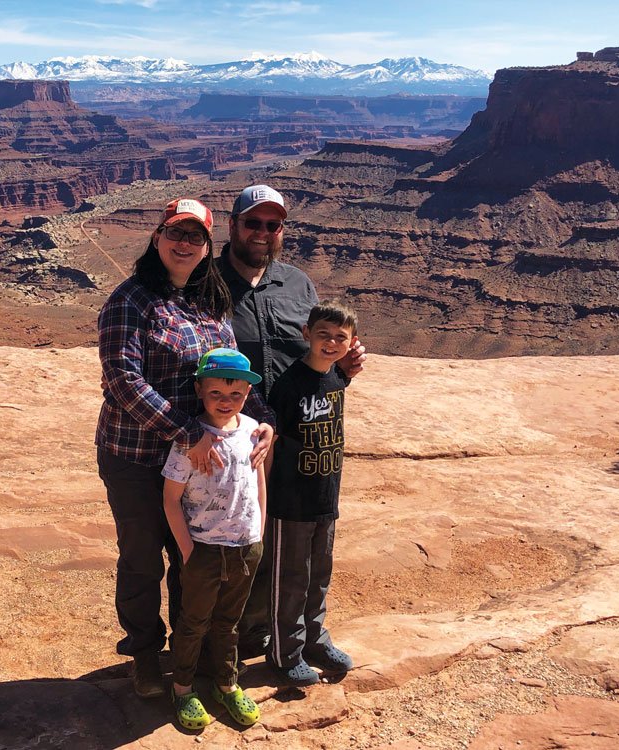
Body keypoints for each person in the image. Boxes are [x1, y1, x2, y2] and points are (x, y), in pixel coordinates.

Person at [95, 198, 273, 699]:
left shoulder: (208, 302)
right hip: (135, 457)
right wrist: (186, 431)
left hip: (198, 463)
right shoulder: (129, 300)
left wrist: (263, 421)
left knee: (190, 559)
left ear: (205, 247)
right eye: (175, 233)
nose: (183, 244)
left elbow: (232, 372)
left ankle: (187, 657)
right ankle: (147, 655)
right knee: (142, 559)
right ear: (157, 238)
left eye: (195, 237)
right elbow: (123, 380)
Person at [216, 184, 366, 659]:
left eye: (272, 225)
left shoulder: (299, 284)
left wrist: (343, 367)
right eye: (253, 223)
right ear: (234, 225)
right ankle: (231, 642)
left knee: (302, 547)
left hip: (298, 443)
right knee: (237, 546)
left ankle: (300, 637)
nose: (262, 233)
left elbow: (317, 357)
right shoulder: (206, 281)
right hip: (235, 440)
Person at [162, 347, 266, 730]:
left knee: (229, 622)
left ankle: (226, 682)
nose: (226, 402)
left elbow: (258, 483)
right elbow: (171, 499)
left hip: (244, 548)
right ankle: (183, 688)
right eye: (216, 394)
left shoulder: (253, 431)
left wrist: (259, 530)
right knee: (193, 623)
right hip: (204, 550)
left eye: (235, 394)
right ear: (200, 390)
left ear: (246, 393)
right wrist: (188, 551)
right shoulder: (189, 440)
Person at [267, 300, 358, 686]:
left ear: (352, 342)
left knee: (319, 575)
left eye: (341, 337)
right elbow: (271, 441)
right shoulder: (288, 385)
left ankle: (315, 642)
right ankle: (284, 652)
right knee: (290, 579)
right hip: (290, 502)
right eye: (323, 334)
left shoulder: (337, 379)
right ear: (307, 334)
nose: (331, 342)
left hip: (325, 498)